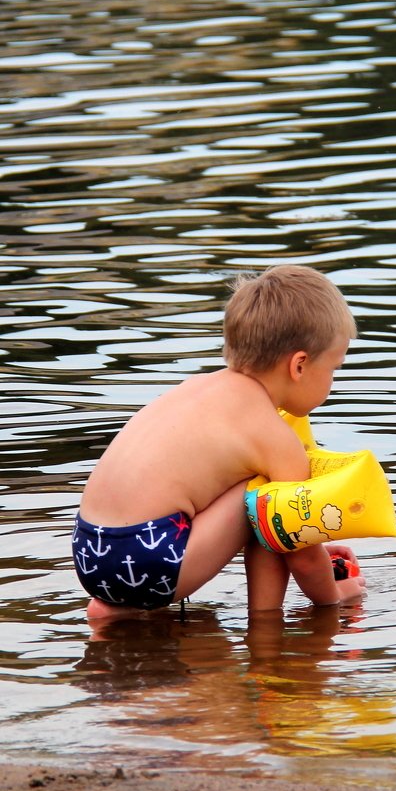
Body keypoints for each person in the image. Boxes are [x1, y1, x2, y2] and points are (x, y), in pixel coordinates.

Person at [72, 265, 365, 622]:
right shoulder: (271, 435)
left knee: (266, 504)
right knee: (268, 503)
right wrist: (335, 596)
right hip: (153, 564)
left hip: (90, 551)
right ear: (299, 365)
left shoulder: (197, 389)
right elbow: (300, 553)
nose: (332, 380)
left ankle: (113, 611)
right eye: (334, 367)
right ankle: (264, 622)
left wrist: (317, 555)